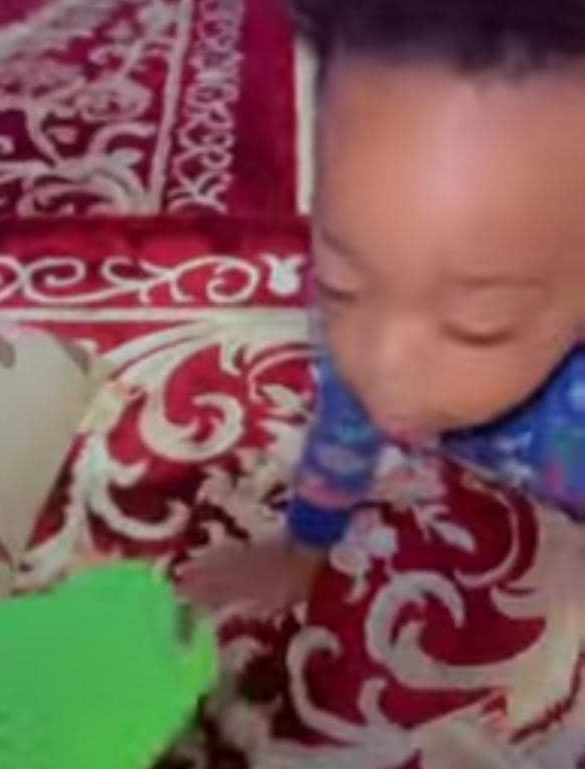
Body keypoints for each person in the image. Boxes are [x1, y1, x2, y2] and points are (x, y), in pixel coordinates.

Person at [182, 0, 585, 614]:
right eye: (341, 283)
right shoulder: (377, 323)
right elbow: (343, 429)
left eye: (477, 326)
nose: (379, 366)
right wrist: (302, 547)